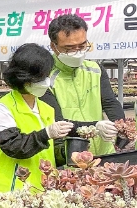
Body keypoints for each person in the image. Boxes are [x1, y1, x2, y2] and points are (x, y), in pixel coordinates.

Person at [0, 44, 73, 192]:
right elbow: (14, 146)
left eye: (47, 75)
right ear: (24, 78)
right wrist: (46, 134)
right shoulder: (3, 109)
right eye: (41, 77)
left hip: (40, 189)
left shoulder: (45, 108)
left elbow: (49, 150)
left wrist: (69, 150)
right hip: (10, 191)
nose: (46, 81)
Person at [42, 13, 124, 156]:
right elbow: (58, 121)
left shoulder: (95, 70)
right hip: (70, 153)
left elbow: (110, 103)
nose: (77, 52)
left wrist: (120, 128)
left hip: (102, 149)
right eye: (69, 48)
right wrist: (95, 127)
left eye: (82, 46)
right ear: (54, 47)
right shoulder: (45, 78)